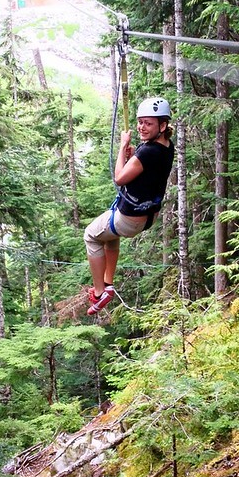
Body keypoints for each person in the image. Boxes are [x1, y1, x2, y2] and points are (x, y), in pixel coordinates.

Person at [83, 97, 175, 315]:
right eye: (140, 122)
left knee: (91, 236)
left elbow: (120, 178)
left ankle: (99, 292)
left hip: (129, 219)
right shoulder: (166, 147)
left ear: (162, 126)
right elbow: (147, 172)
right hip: (147, 217)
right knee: (108, 235)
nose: (142, 127)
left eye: (148, 123)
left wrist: (123, 146)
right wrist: (133, 158)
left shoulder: (148, 151)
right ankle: (108, 282)